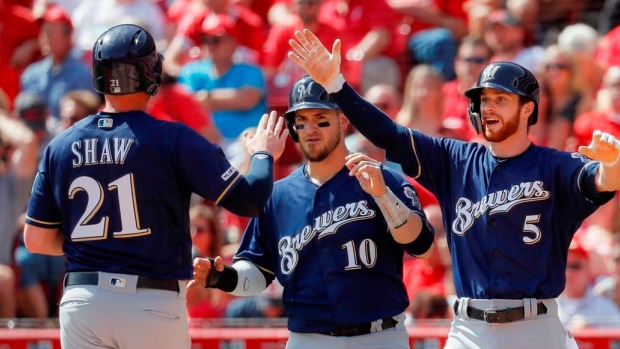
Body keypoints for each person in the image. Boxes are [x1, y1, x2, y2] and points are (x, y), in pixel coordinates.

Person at [287, 29, 620, 349]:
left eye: (500, 99)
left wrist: (613, 165)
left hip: (537, 327)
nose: (488, 107)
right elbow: (389, 134)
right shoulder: (453, 159)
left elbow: (602, 181)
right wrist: (335, 84)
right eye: (483, 99)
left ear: (528, 108)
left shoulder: (555, 166)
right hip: (469, 329)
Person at [22, 24, 287, 349]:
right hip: (149, 300)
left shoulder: (60, 145)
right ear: (152, 73)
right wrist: (262, 153)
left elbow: (36, 238)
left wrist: (100, 244)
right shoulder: (172, 138)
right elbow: (251, 201)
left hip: (83, 300)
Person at [190, 75, 435, 349]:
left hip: (380, 336)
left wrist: (383, 197)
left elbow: (422, 246)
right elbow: (257, 273)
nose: (310, 129)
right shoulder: (277, 195)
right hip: (307, 339)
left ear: (343, 120)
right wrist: (223, 277)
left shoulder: (382, 178)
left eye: (321, 118)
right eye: (302, 121)